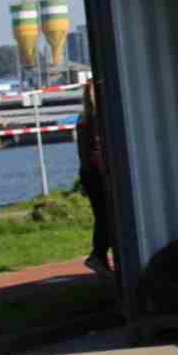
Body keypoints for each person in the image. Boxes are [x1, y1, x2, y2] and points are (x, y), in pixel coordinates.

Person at [75, 79, 116, 281]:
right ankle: (98, 255)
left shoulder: (82, 119)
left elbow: (83, 153)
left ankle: (101, 259)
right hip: (99, 172)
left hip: (88, 173)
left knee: (102, 215)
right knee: (109, 215)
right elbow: (99, 149)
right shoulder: (99, 118)